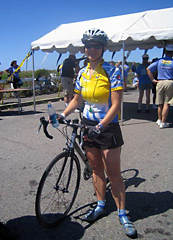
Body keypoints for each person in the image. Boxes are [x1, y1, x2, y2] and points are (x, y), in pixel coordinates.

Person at [58, 28, 137, 237]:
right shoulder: (82, 72)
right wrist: (61, 115)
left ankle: (123, 214)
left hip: (106, 127)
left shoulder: (112, 71)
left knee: (113, 173)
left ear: (103, 48)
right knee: (95, 169)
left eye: (96, 46)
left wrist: (100, 126)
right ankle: (101, 205)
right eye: (89, 45)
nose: (92, 49)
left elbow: (116, 105)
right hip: (87, 125)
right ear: (84, 48)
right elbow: (76, 100)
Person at [147, 44, 173, 129]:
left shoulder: (159, 61)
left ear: (165, 52)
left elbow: (148, 69)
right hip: (169, 82)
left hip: (160, 82)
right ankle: (163, 122)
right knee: (167, 103)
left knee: (160, 103)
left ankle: (159, 119)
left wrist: (153, 80)